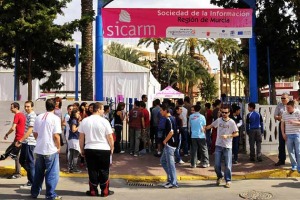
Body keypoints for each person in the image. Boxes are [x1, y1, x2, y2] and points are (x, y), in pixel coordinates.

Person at [78, 102, 114, 197]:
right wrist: (112, 147)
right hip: (103, 149)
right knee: (104, 170)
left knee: (92, 170)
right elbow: (110, 137)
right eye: (102, 109)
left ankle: (93, 191)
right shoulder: (104, 121)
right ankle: (104, 191)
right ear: (98, 109)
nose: (103, 111)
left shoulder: (85, 121)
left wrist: (81, 149)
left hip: (89, 148)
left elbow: (81, 137)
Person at [31, 99, 62, 200]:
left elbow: (35, 133)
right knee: (52, 173)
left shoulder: (38, 117)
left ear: (46, 106)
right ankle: (50, 194)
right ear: (55, 107)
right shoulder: (55, 118)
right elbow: (56, 135)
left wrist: (40, 140)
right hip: (50, 149)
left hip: (39, 149)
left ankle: (34, 192)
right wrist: (58, 147)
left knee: (38, 173)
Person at [206, 105, 239, 188]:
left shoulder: (232, 122)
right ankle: (220, 176)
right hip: (218, 145)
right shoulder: (219, 120)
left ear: (229, 113)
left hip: (227, 146)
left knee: (227, 165)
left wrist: (228, 136)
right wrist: (205, 128)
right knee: (216, 164)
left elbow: (236, 133)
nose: (224, 114)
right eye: (222, 112)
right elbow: (212, 125)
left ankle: (228, 180)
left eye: (225, 112)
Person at [17, 101, 37, 188]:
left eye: (28, 106)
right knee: (22, 160)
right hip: (26, 142)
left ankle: (32, 181)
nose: (26, 108)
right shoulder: (27, 115)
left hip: (30, 142)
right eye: (25, 106)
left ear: (32, 107)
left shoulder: (32, 116)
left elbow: (30, 130)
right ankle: (33, 177)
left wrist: (21, 140)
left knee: (30, 162)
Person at [3, 102, 26, 179]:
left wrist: (7, 134)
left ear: (16, 108)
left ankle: (18, 173)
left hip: (18, 139)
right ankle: (17, 172)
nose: (10, 109)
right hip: (21, 138)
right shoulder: (22, 115)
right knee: (14, 155)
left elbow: (13, 128)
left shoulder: (17, 115)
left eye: (12, 108)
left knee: (10, 153)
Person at [160, 104, 178, 189]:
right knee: (163, 161)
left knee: (170, 164)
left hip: (170, 144)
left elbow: (171, 132)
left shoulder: (169, 120)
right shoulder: (172, 118)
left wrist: (165, 141)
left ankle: (173, 182)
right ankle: (170, 179)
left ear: (165, 111)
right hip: (170, 144)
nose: (160, 112)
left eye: (161, 110)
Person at [280, 100, 300, 172]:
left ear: (293, 107)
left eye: (289, 108)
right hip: (288, 135)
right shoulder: (284, 113)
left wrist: (294, 122)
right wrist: (283, 133)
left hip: (297, 134)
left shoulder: (298, 112)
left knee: (298, 151)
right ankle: (294, 165)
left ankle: (299, 166)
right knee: (290, 151)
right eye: (286, 107)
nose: (287, 109)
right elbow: (282, 124)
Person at [274, 93, 289, 166]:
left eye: (284, 98)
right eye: (281, 98)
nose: (282, 100)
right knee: (281, 143)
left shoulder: (292, 104)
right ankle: (281, 160)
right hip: (282, 125)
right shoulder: (279, 105)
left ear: (288, 98)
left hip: (291, 125)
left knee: (293, 143)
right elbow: (275, 116)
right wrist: (280, 117)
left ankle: (296, 160)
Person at [67, 109, 81, 173]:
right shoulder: (74, 121)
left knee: (72, 154)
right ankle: (74, 168)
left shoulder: (72, 120)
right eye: (78, 113)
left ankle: (70, 167)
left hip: (71, 139)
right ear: (74, 114)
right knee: (75, 154)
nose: (79, 114)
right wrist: (79, 125)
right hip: (74, 139)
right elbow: (73, 129)